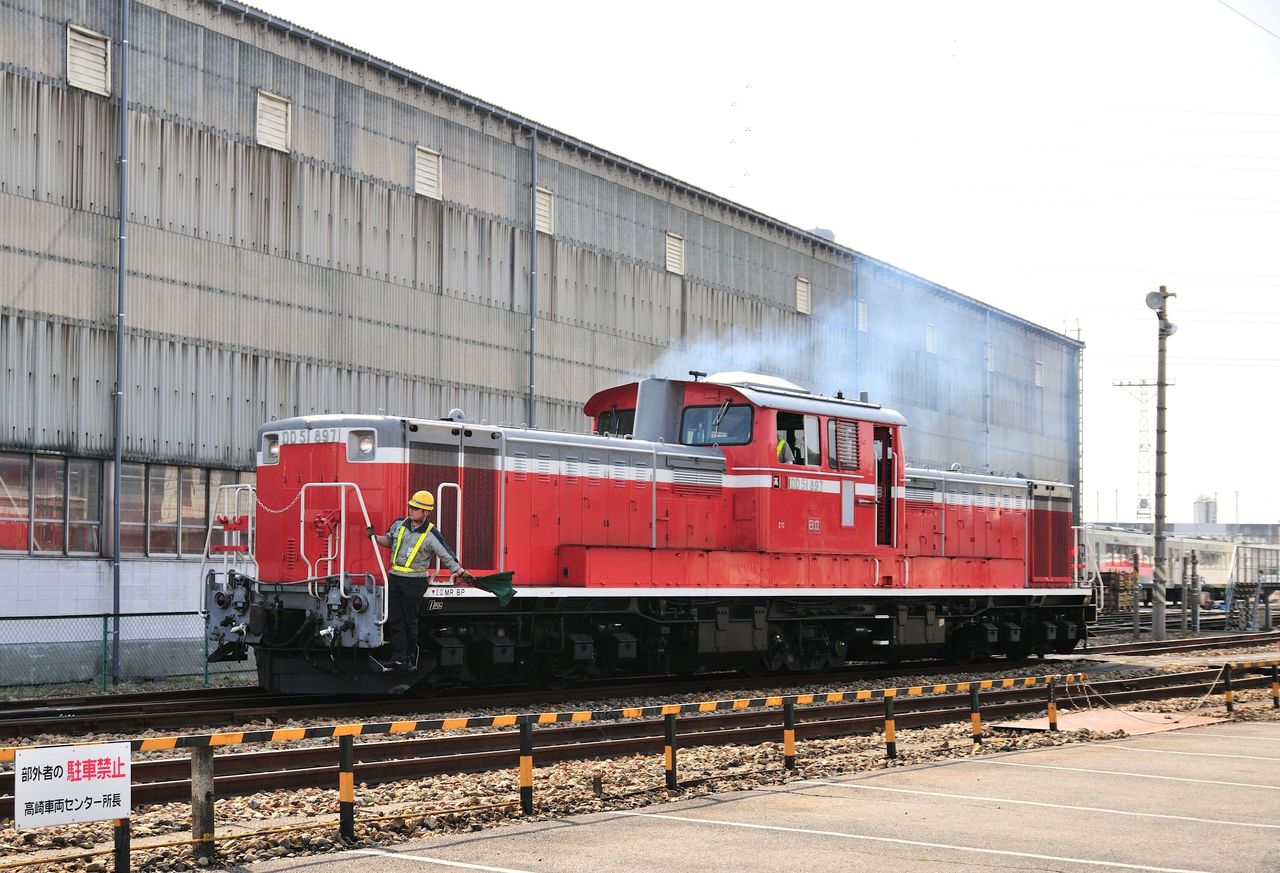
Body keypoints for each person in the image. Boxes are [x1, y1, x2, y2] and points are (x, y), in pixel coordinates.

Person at [365, 489, 473, 672]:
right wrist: (374, 538)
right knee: (395, 620)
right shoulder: (399, 524)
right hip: (395, 579)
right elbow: (390, 541)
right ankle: (398, 659)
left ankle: (410, 659)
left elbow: (446, 555)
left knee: (410, 621)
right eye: (411, 506)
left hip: (414, 583)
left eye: (416, 508)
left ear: (426, 512)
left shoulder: (431, 535)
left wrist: (461, 572)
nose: (411, 510)